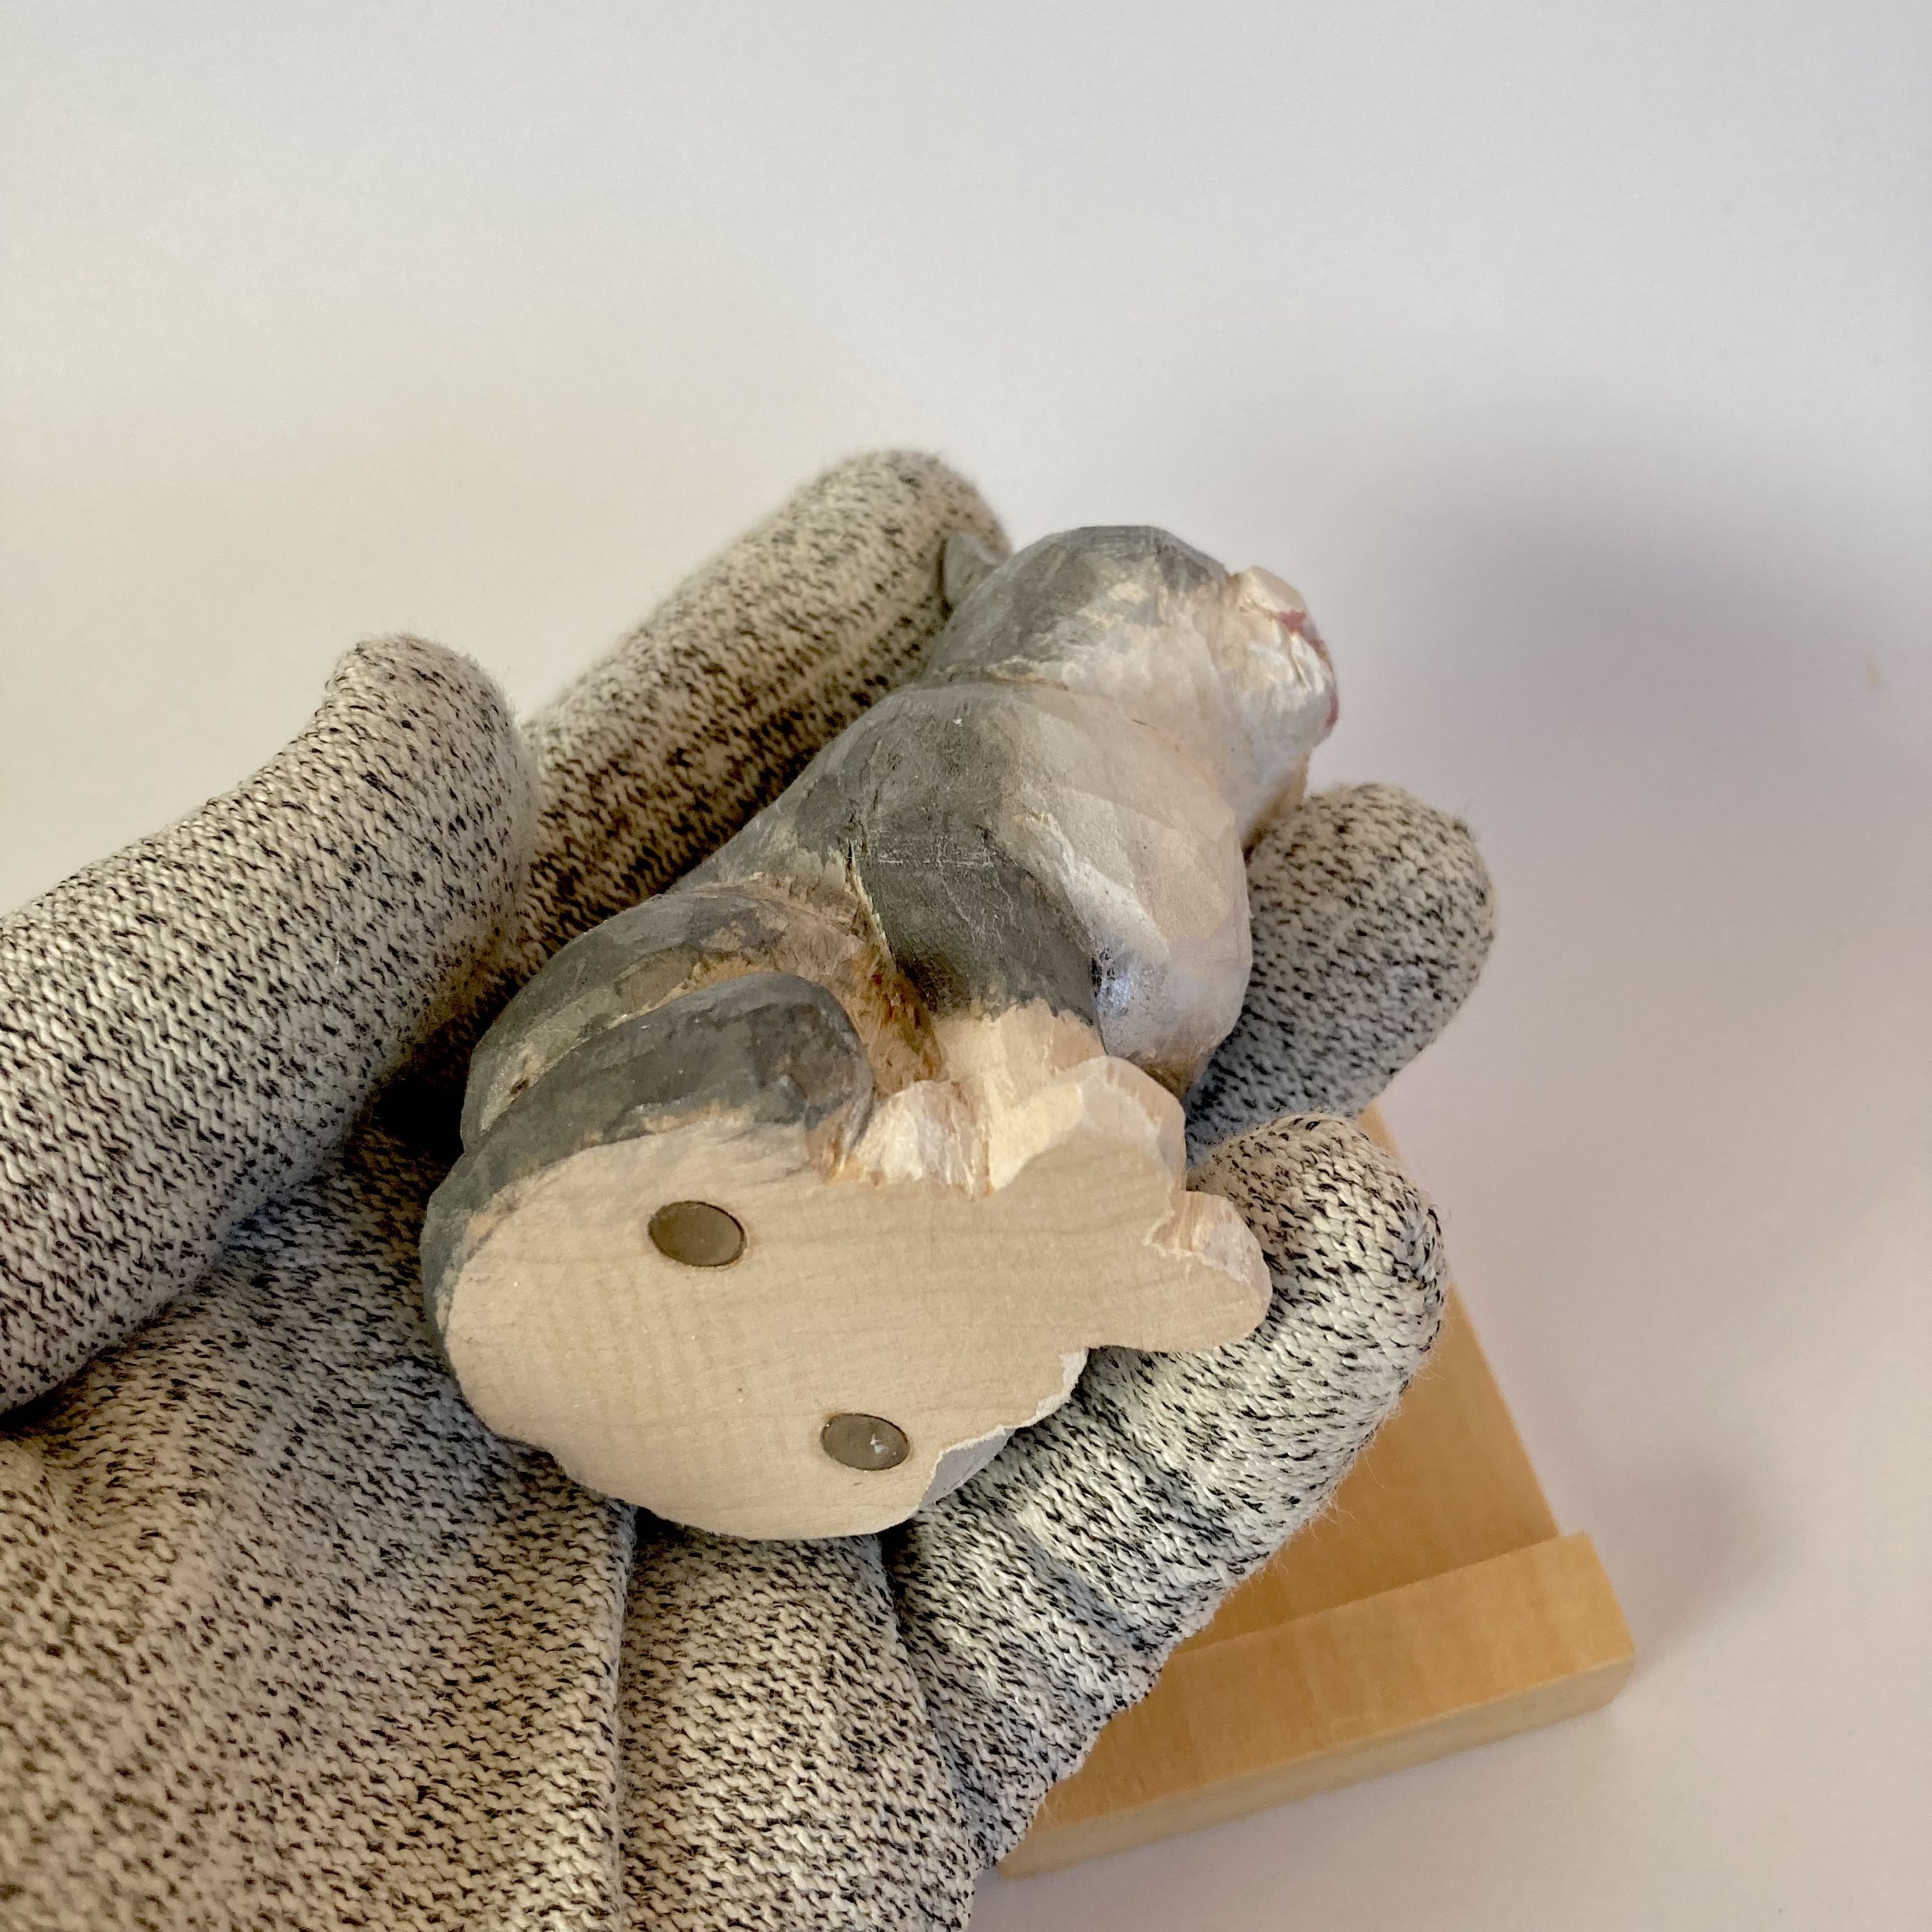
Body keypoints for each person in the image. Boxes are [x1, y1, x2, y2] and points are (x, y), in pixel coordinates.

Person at [0, 450, 1494, 1930]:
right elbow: (951, 875)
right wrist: (1020, 1056)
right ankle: (781, 1198)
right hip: (677, 1077)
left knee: (944, 1187)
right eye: (1187, 593)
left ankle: (962, 1287)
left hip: (855, 1331)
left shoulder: (1195, 852)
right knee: (787, 1033)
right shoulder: (992, 724)